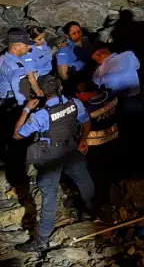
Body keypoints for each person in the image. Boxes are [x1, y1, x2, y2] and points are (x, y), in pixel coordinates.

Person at [12, 74, 96, 254]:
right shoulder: (74, 102)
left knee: (49, 196)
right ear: (60, 88)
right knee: (84, 180)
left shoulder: (41, 115)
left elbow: (17, 135)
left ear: (41, 92)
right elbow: (86, 122)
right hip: (72, 148)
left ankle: (42, 239)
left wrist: (26, 110)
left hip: (51, 155)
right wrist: (82, 140)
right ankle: (94, 211)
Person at [74, 80, 120, 197]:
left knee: (97, 172)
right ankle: (115, 187)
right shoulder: (111, 95)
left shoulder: (87, 107)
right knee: (112, 165)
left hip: (95, 143)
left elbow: (84, 125)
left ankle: (102, 196)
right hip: (113, 136)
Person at [19, 26, 54, 100]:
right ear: (31, 39)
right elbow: (31, 77)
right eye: (40, 39)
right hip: (40, 77)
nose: (43, 40)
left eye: (44, 37)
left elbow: (46, 55)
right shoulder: (28, 53)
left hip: (49, 72)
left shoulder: (43, 43)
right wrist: (39, 93)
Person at [55, 22, 91, 91]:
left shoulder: (85, 41)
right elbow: (63, 75)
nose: (77, 35)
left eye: (79, 31)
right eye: (74, 33)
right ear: (67, 35)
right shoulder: (63, 49)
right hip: (76, 78)